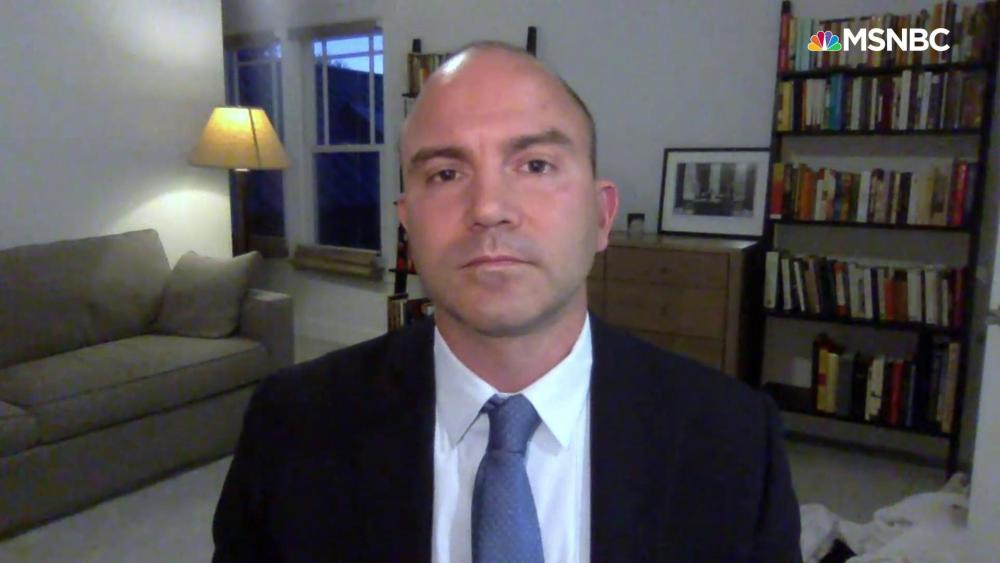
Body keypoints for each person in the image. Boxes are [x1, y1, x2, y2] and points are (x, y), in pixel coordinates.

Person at [212, 41, 801, 562]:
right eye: (446, 174)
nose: (489, 207)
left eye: (536, 165)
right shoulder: (290, 426)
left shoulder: (735, 439)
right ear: (408, 225)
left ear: (601, 217)